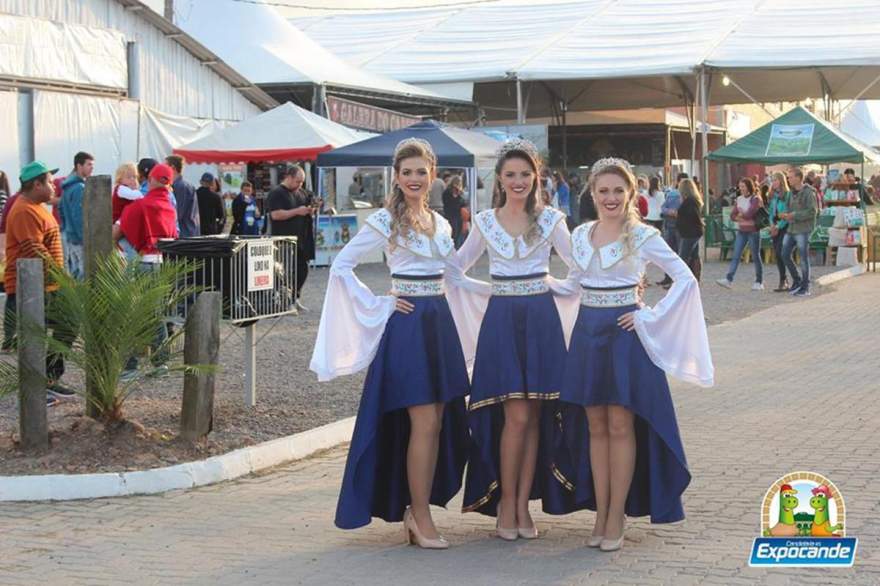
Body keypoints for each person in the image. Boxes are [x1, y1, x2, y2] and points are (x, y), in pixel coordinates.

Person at [309, 138, 479, 548]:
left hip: (438, 323)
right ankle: (419, 516)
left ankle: (414, 508)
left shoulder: (441, 224)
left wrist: (514, 290)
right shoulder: (386, 221)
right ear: (397, 177)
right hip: (408, 325)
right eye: (407, 172)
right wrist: (380, 302)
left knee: (436, 422)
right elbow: (343, 265)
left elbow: (454, 276)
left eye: (422, 171)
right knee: (423, 422)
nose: (415, 179)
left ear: (433, 174)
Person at [554, 157, 713, 552]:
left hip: (625, 337)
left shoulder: (642, 235)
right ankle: (600, 511)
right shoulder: (580, 235)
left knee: (621, 426)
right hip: (587, 334)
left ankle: (616, 516)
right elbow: (574, 283)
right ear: (592, 193)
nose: (610, 198)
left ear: (631, 194)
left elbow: (685, 278)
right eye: (603, 191)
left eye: (618, 191)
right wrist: (524, 283)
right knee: (595, 427)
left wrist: (649, 316)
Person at [456, 139, 576, 539]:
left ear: (536, 176)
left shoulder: (553, 220)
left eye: (526, 174)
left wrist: (554, 285)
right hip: (502, 320)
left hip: (540, 318)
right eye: (511, 174)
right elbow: (455, 268)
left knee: (536, 417)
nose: (519, 181)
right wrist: (486, 290)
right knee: (516, 417)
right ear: (500, 179)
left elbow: (583, 265)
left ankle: (524, 506)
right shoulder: (485, 220)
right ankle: (508, 504)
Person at [5, 161, 78, 405]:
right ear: (36, 184)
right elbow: (34, 249)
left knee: (67, 323)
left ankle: (48, 379)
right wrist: (63, 278)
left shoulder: (36, 207)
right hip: (31, 286)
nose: (53, 186)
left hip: (46, 284)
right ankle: (39, 387)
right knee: (36, 335)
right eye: (48, 182)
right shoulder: (25, 209)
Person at [114, 163, 179, 377]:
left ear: (150, 180)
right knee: (156, 314)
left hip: (142, 264)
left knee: (133, 313)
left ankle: (130, 367)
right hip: (162, 265)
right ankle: (160, 363)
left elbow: (117, 231)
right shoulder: (170, 207)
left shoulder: (141, 205)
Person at [267, 165, 317, 308]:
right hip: (283, 240)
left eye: (302, 182)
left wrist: (311, 209)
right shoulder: (276, 193)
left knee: (302, 270)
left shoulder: (302, 193)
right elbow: (275, 215)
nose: (299, 185)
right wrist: (297, 211)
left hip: (301, 239)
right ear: (288, 177)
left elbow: (310, 204)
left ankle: (295, 297)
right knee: (284, 272)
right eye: (297, 181)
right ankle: (284, 300)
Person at [716, 177, 764, 290]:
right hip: (742, 231)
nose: (741, 188)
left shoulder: (755, 199)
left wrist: (741, 215)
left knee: (756, 256)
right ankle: (729, 279)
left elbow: (750, 214)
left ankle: (759, 281)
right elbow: (732, 215)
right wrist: (740, 216)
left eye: (743, 186)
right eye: (740, 186)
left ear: (749, 187)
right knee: (736, 255)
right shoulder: (739, 199)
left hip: (753, 231)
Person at [779, 167, 817, 297]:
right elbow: (790, 209)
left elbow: (812, 211)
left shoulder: (808, 192)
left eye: (790, 177)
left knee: (803, 258)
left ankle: (805, 287)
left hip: (803, 230)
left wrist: (794, 215)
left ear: (798, 178)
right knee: (784, 254)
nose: (788, 179)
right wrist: (785, 215)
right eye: (788, 177)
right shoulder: (790, 193)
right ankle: (797, 280)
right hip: (791, 229)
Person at [58, 151, 94, 280]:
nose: (92, 168)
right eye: (89, 164)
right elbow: (79, 216)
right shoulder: (80, 187)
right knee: (82, 275)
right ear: (79, 166)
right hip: (79, 240)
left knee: (74, 273)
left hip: (69, 237)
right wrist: (85, 238)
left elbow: (60, 208)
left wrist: (66, 228)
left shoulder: (67, 186)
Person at [657, 173, 686, 287]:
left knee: (676, 253)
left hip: (677, 227)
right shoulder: (672, 194)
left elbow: (663, 208)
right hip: (672, 226)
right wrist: (670, 212)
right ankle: (669, 277)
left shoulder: (675, 194)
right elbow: (663, 208)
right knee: (672, 253)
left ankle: (674, 279)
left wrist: (669, 211)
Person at [675, 178, 705, 283]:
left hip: (690, 233)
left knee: (683, 257)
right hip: (693, 232)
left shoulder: (689, 202)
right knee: (694, 255)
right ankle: (695, 278)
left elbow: (691, 217)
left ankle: (682, 280)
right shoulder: (694, 201)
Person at [767, 171, 792, 292]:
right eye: (772, 180)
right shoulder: (773, 196)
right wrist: (772, 225)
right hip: (775, 226)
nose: (773, 183)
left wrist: (778, 226)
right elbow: (771, 212)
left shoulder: (787, 195)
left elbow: (787, 213)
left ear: (781, 181)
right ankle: (783, 279)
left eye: (775, 180)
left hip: (785, 227)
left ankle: (790, 278)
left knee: (781, 252)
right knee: (777, 254)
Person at [165, 155, 200, 237]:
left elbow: (177, 213)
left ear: (172, 168)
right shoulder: (185, 185)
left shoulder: (180, 187)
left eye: (165, 166)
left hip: (184, 234)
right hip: (189, 232)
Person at [442, 175, 467, 247]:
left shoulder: (459, 193)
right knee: (452, 234)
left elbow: (463, 204)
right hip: (450, 216)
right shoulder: (447, 192)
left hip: (458, 217)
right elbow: (448, 203)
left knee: (458, 235)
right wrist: (457, 195)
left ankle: (455, 249)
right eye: (458, 183)